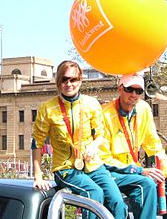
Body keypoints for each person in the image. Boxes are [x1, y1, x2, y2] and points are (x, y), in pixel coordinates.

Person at [32, 60, 127, 219]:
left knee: (117, 201)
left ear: (80, 80)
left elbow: (100, 134)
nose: (69, 84)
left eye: (73, 79)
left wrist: (95, 146)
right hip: (66, 168)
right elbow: (37, 143)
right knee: (93, 193)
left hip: (94, 165)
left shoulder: (91, 103)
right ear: (58, 82)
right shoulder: (47, 108)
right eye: (64, 79)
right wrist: (38, 176)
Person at [101, 73, 167, 219]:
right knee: (145, 185)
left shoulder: (143, 109)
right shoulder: (104, 114)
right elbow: (103, 158)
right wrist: (139, 170)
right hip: (111, 172)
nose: (134, 94)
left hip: (136, 171)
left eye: (139, 91)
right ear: (120, 89)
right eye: (130, 89)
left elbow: (155, 147)